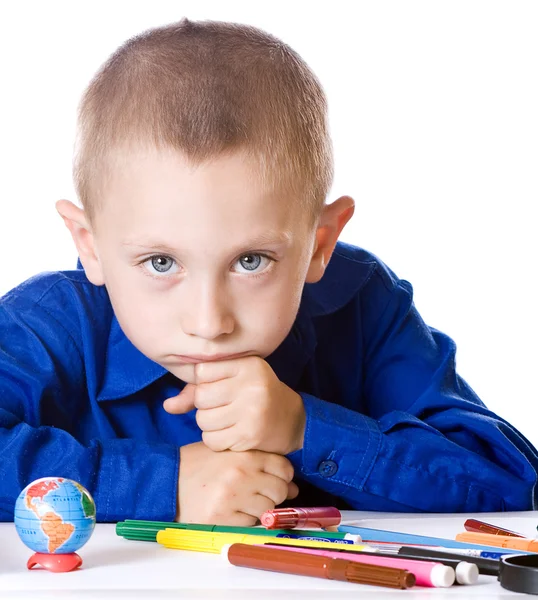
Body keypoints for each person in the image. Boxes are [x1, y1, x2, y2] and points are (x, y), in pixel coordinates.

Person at [1, 18, 536, 524]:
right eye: (160, 263)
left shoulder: (361, 305)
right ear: (89, 246)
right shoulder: (50, 325)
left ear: (319, 243)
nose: (209, 322)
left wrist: (306, 427)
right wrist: (165, 484)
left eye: (250, 261)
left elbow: (514, 485)